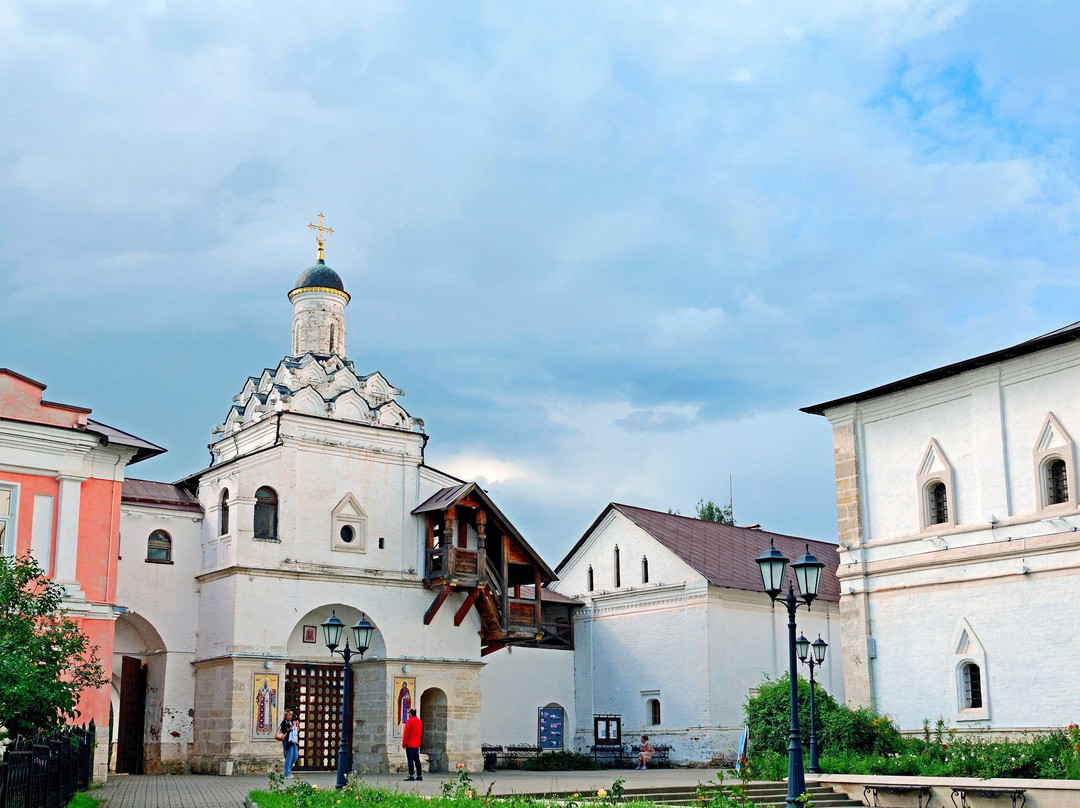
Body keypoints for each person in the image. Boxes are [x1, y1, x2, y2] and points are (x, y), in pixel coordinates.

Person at [402, 708, 423, 781]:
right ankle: (419, 775)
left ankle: (411, 775)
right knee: (417, 760)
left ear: (410, 713)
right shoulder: (419, 721)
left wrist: (404, 743)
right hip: (416, 743)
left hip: (410, 744)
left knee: (410, 760)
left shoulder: (409, 721)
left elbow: (406, 733)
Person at [279, 710, 299, 778]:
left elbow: (298, 730)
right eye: (288, 715)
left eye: (290, 715)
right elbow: (284, 730)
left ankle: (288, 770)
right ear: (285, 716)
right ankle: (286, 773)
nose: (290, 716)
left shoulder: (292, 721)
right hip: (287, 741)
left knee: (295, 756)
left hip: (293, 740)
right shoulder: (284, 722)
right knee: (289, 757)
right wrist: (291, 726)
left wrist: (297, 725)